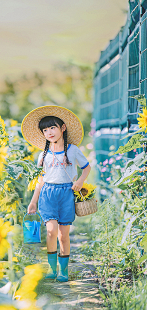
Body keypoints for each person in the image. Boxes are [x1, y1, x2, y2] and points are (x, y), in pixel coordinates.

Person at [21, 106, 91, 282]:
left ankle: (63, 271)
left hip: (66, 193)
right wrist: (33, 201)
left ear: (63, 128)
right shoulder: (43, 154)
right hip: (48, 194)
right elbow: (41, 180)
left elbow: (87, 167)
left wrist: (80, 181)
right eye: (45, 130)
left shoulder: (72, 150)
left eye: (52, 127)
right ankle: (52, 269)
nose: (49, 132)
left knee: (63, 235)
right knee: (51, 232)